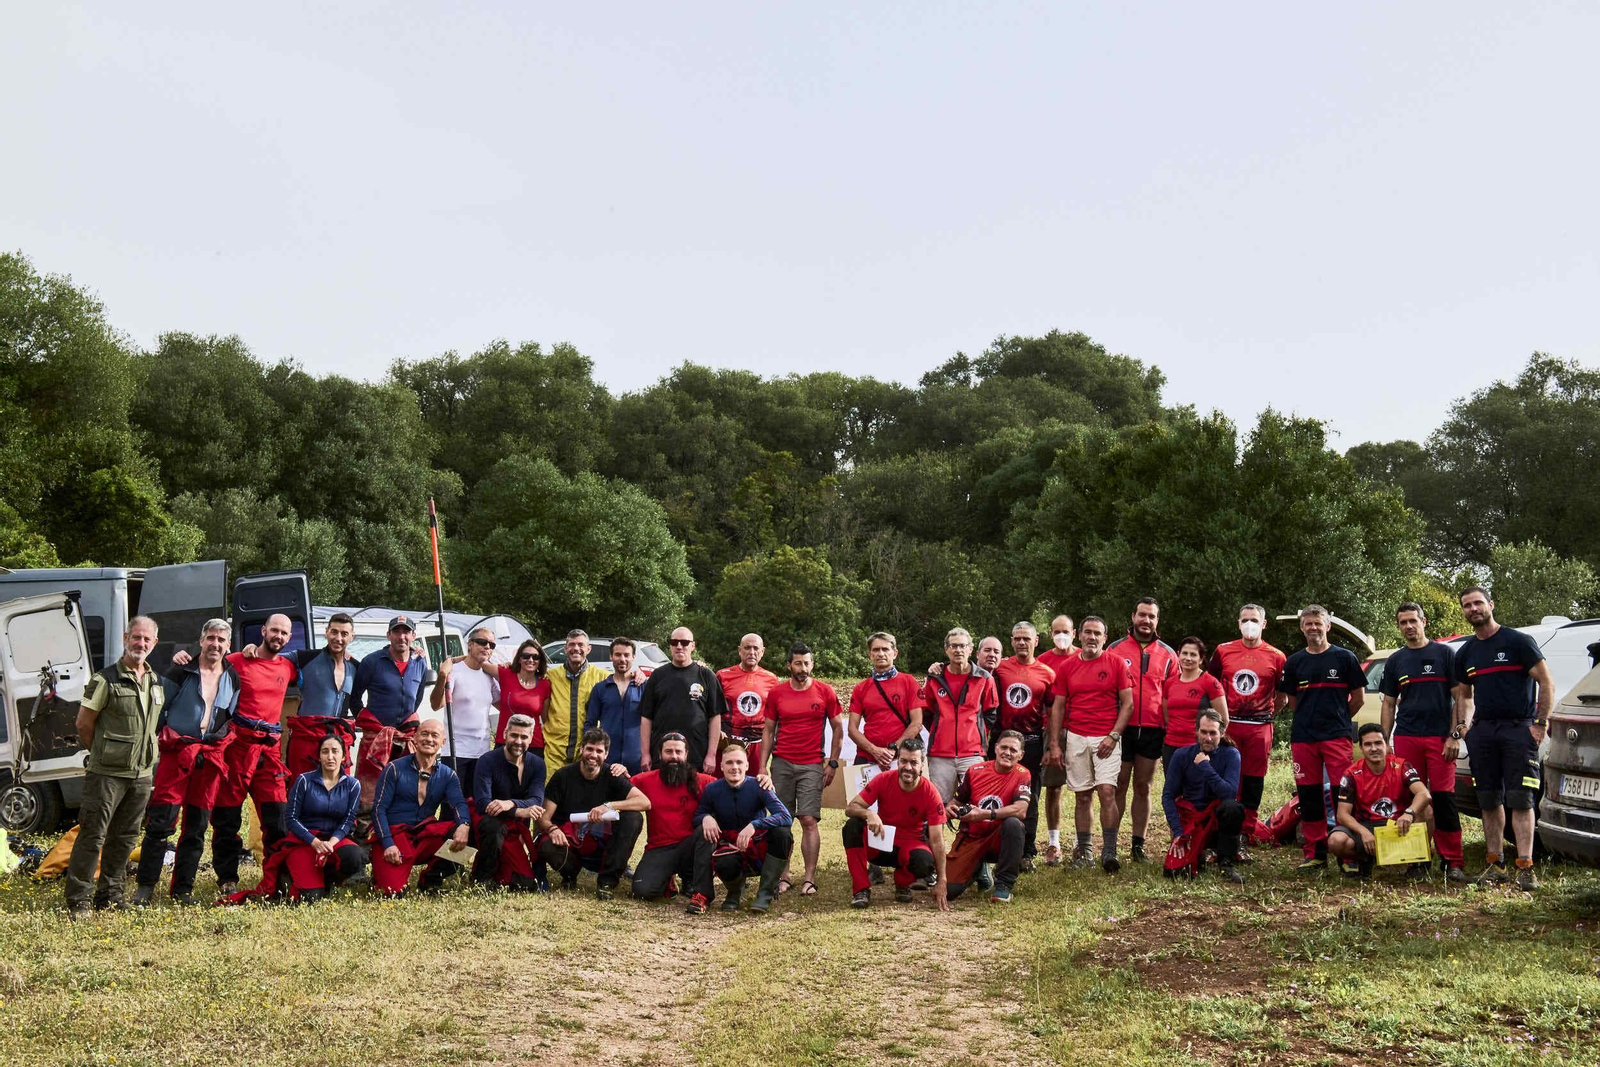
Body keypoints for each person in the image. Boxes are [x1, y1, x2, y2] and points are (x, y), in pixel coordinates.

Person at [1454, 586, 1555, 890]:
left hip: (1518, 729)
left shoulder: (1518, 641)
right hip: (1483, 732)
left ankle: (1525, 867)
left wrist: (1539, 723)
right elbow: (1465, 694)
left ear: (1490, 605)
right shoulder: (1467, 652)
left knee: (1521, 799)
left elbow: (1546, 682)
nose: (1473, 609)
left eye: (1478, 603)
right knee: (1488, 799)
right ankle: (1494, 865)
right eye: (1467, 605)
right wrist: (1464, 726)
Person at [134, 618, 239, 906]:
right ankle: (145, 887)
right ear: (202, 640)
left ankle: (183, 889)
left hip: (210, 759)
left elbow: (229, 716)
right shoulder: (181, 670)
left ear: (228, 646)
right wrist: (167, 738)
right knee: (160, 823)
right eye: (211, 638)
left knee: (196, 827)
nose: (215, 644)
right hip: (177, 756)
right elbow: (159, 709)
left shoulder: (233, 678)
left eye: (221, 640)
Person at [65, 616, 165, 918]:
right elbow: (84, 724)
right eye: (136, 637)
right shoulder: (104, 679)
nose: (141, 644)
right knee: (93, 834)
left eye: (147, 639)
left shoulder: (154, 680)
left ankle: (110, 894)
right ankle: (79, 898)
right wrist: (103, 754)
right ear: (126, 637)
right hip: (107, 773)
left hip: (141, 773)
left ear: (154, 643)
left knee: (124, 837)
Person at [212, 612, 298, 896]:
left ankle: (278, 876)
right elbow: (208, 663)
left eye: (284, 633)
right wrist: (181, 659)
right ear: (263, 631)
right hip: (238, 748)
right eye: (274, 630)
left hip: (269, 751)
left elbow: (332, 654)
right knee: (226, 817)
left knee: (276, 817)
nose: (279, 636)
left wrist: (415, 651)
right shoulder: (238, 660)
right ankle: (227, 877)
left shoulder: (288, 666)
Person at [1379, 602, 1466, 881]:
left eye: (1412, 621)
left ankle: (1452, 862)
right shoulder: (1395, 660)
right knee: (1411, 799)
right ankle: (1418, 859)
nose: (1408, 626)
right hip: (1406, 737)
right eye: (1403, 622)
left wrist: (1455, 735)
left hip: (1440, 739)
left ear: (1424, 621)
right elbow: (1389, 703)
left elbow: (1460, 698)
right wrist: (1385, 740)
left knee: (1443, 799)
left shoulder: (1444, 654)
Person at [1278, 605, 1367, 872]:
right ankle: (1314, 853)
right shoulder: (1294, 662)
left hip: (1337, 737)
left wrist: (1338, 719)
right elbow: (1293, 702)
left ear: (1327, 626)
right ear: (1302, 627)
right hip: (1304, 738)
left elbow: (1359, 699)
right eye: (1308, 624)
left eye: (1318, 623)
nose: (1313, 628)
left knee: (1344, 793)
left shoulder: (1345, 658)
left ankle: (1348, 854)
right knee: (1309, 795)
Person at [1044, 616, 1134, 872]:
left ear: (1105, 638)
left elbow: (1127, 704)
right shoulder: (1068, 667)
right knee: (1082, 796)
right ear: (1079, 636)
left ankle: (1109, 851)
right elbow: (1058, 706)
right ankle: (1084, 852)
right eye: (1087, 633)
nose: (1092, 637)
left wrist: (1114, 736)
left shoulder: (1115, 663)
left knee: (1107, 792)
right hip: (1076, 737)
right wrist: (1055, 744)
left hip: (1107, 737)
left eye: (1097, 633)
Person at [759, 642, 844, 897]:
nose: (803, 668)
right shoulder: (777, 693)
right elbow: (768, 730)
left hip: (812, 764)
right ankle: (783, 876)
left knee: (808, 820)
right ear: (789, 665)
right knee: (781, 822)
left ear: (812, 664)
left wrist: (832, 762)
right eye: (798, 663)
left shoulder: (825, 691)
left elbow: (839, 728)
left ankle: (809, 878)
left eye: (807, 663)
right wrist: (763, 766)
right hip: (782, 762)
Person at [1206, 604, 1287, 849]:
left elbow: (1282, 696)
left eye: (1254, 619)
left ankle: (1246, 830)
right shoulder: (1223, 651)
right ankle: (1219, 827)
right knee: (1226, 775)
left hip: (1259, 726)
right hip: (1228, 725)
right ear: (1238, 623)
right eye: (1245, 619)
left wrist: (1267, 714)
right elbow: (1210, 685)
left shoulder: (1277, 656)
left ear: (1263, 624)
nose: (1249, 624)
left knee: (1253, 779)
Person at [1106, 597, 1178, 865]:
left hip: (1152, 729)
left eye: (1152, 616)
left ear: (1157, 620)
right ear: (1133, 616)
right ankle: (1111, 845)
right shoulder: (1114, 649)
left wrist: (1170, 727)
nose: (1146, 621)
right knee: (1118, 785)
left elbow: (1173, 694)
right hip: (1121, 728)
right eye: (1142, 615)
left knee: (1143, 787)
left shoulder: (1168, 654)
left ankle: (1138, 844)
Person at [535, 728, 647, 899]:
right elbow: (544, 817)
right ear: (581, 749)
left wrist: (608, 805)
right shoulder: (562, 776)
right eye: (589, 749)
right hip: (568, 841)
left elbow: (644, 802)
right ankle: (569, 875)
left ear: (606, 754)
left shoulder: (612, 774)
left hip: (601, 845)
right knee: (546, 846)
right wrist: (552, 829)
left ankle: (606, 882)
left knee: (633, 817)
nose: (593, 755)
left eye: (599, 751)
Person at [842, 738, 949, 910]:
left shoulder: (930, 792)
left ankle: (902, 883)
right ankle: (861, 890)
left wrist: (942, 879)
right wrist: (869, 813)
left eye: (913, 762)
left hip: (910, 845)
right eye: (903, 761)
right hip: (881, 842)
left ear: (922, 765)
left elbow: (937, 840)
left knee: (925, 863)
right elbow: (851, 808)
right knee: (852, 826)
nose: (907, 767)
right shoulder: (883, 779)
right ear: (897, 761)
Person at [370, 718, 472, 897]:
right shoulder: (394, 769)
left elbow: (459, 804)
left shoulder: (448, 775)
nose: (429, 739)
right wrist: (387, 844)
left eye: (435, 735)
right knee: (393, 893)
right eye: (424, 734)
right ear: (415, 739)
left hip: (424, 836)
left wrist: (464, 825)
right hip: (394, 838)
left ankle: (431, 879)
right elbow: (378, 809)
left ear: (443, 742)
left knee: (466, 834)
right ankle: (379, 871)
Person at [690, 742, 794, 914]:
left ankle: (765, 894)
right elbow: (697, 816)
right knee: (723, 859)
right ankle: (734, 891)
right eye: (729, 763)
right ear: (721, 766)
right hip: (730, 847)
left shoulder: (760, 785)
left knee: (782, 833)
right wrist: (706, 818)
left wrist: (755, 825)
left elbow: (785, 817)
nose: (734, 767)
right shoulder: (712, 790)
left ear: (747, 765)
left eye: (739, 762)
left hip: (757, 846)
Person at [989, 622, 1054, 871]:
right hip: (1002, 739)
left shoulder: (1047, 673)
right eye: (1017, 638)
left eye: (1026, 638)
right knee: (997, 791)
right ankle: (994, 846)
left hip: (1032, 741)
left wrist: (1051, 745)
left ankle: (1027, 851)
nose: (1022, 643)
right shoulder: (1001, 669)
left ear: (1036, 640)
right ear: (1012, 641)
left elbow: (1052, 710)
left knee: (1030, 796)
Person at [1327, 723, 1432, 878]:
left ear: (1386, 745)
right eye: (1368, 744)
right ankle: (1367, 860)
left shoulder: (1401, 765)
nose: (1374, 748)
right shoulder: (1351, 774)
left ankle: (1418, 861)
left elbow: (1424, 793)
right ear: (1361, 749)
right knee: (1336, 841)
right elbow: (1342, 815)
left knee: (1426, 809)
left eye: (1378, 743)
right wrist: (1363, 832)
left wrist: (1409, 813)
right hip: (1367, 826)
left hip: (1399, 825)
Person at [349, 615, 429, 812]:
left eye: (406, 632)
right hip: (375, 738)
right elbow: (354, 698)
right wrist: (370, 723)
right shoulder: (372, 661)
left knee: (404, 789)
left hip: (405, 739)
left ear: (413, 636)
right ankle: (364, 835)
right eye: (396, 631)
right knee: (369, 791)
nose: (401, 636)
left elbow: (416, 701)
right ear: (389, 635)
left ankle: (398, 830)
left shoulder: (420, 663)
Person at [944, 731, 1033, 903]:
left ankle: (1003, 886)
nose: (1007, 753)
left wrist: (984, 814)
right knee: (948, 891)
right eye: (1004, 747)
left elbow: (1021, 810)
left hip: (999, 838)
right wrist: (950, 809)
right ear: (996, 748)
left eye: (1013, 750)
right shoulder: (975, 771)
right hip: (972, 838)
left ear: (1020, 755)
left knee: (1014, 824)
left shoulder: (1023, 774)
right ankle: (977, 869)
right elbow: (957, 801)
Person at [628, 733, 717, 901]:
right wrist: (618, 770)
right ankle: (666, 879)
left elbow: (732, 787)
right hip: (659, 848)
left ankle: (698, 887)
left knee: (705, 832)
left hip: (690, 847)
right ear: (660, 754)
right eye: (668, 751)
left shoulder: (704, 782)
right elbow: (620, 787)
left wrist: (761, 780)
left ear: (686, 754)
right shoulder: (645, 780)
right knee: (642, 891)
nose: (674, 756)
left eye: (678, 751)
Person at [280, 734, 367, 902]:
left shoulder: (353, 785)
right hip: (305, 841)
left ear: (343, 757)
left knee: (356, 856)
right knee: (310, 899)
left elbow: (348, 820)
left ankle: (329, 879)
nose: (330, 756)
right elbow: (291, 818)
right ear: (319, 756)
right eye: (325, 752)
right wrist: (315, 843)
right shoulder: (304, 781)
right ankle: (290, 874)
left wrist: (329, 844)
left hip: (333, 840)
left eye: (335, 751)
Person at [1161, 710, 1245, 883]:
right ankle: (1201, 852)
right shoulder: (1181, 755)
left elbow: (1229, 793)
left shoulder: (1231, 755)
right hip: (1192, 819)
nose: (1208, 738)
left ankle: (1226, 861)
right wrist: (1177, 832)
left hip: (1218, 817)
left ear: (1221, 733)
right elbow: (1168, 795)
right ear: (1196, 731)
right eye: (1204, 732)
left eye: (1213, 733)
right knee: (1174, 872)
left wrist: (1206, 767)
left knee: (1233, 808)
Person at [922, 628, 999, 802]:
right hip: (940, 754)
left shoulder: (984, 678)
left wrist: (975, 732)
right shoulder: (935, 678)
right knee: (937, 805)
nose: (958, 650)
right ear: (946, 649)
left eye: (962, 646)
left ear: (970, 649)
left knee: (976, 801)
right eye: (953, 646)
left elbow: (991, 713)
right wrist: (940, 729)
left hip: (972, 753)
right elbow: (927, 713)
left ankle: (969, 831)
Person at [470, 713, 547, 889]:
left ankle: (503, 872)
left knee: (525, 885)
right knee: (493, 827)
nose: (518, 741)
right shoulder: (486, 761)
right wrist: (520, 811)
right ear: (505, 734)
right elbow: (483, 804)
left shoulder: (538, 764)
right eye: (514, 735)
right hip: (487, 821)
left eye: (524, 737)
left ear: (530, 738)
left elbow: (536, 799)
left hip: (514, 828)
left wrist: (510, 803)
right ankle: (482, 879)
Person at [277, 612, 359, 778]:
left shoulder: (356, 667)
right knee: (301, 792)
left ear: (352, 637)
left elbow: (383, 666)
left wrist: (414, 652)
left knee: (338, 795)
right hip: (306, 740)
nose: (338, 638)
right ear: (326, 632)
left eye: (344, 634)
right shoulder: (305, 658)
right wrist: (252, 649)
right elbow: (270, 659)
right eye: (334, 632)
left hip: (338, 743)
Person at [638, 627, 726, 774]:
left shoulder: (706, 675)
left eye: (684, 642)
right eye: (674, 642)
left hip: (697, 754)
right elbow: (646, 718)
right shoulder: (657, 676)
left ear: (693, 646)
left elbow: (715, 718)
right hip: (662, 755)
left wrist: (711, 755)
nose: (679, 646)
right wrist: (645, 754)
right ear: (670, 646)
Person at [430, 626, 502, 791]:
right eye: (482, 642)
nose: (487, 647)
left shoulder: (489, 675)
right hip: (456, 751)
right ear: (470, 644)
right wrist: (442, 676)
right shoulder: (455, 671)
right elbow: (436, 704)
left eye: (491, 645)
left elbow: (504, 704)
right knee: (452, 802)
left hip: (482, 751)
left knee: (476, 803)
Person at [847, 632, 923, 769]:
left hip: (901, 757)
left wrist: (895, 749)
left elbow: (917, 723)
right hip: (867, 757)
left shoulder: (909, 682)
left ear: (895, 653)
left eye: (885, 649)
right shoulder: (860, 688)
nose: (881, 653)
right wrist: (874, 750)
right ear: (870, 654)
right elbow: (852, 729)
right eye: (876, 650)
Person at [1036, 614, 1077, 866]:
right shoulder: (1043, 661)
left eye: (1066, 631)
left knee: (1086, 791)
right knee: (1053, 788)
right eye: (1056, 631)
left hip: (1082, 729)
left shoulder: (1084, 656)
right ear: (1050, 633)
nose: (1061, 635)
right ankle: (1054, 843)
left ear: (1074, 633)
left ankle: (1082, 844)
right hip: (1052, 730)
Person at [543, 630, 611, 781]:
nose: (576, 648)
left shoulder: (602, 677)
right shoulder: (550, 677)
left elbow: (622, 681)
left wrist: (636, 675)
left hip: (586, 756)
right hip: (554, 754)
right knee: (550, 800)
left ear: (588, 649)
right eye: (572, 644)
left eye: (581, 644)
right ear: (565, 648)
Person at [1160, 637, 1228, 768]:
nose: (1188, 658)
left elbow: (1223, 720)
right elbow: (1166, 716)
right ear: (1178, 655)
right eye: (1184, 653)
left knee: (1195, 787)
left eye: (1193, 655)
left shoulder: (1211, 683)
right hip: (1171, 747)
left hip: (1198, 747)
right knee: (1172, 787)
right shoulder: (1169, 683)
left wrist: (1210, 745)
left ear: (1201, 659)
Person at [585, 637, 645, 775]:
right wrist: (590, 752)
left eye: (626, 655)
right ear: (611, 656)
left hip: (636, 759)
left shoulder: (643, 687)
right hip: (607, 759)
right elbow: (590, 723)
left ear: (633, 657)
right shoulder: (600, 689)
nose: (622, 659)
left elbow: (652, 722)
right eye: (618, 654)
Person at [717, 633, 779, 757]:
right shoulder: (722, 675)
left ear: (762, 651)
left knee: (755, 777)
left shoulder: (771, 679)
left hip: (757, 743)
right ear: (739, 650)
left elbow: (774, 714)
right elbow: (712, 708)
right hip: (728, 741)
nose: (751, 652)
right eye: (747, 648)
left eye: (756, 648)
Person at [495, 639, 550, 752]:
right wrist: (452, 660)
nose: (530, 660)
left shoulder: (545, 684)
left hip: (533, 744)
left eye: (535, 657)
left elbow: (546, 720)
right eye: (526, 656)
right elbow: (478, 663)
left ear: (540, 661)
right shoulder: (506, 674)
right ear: (519, 658)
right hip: (505, 741)